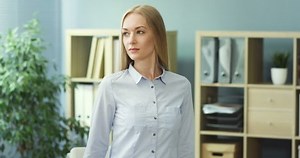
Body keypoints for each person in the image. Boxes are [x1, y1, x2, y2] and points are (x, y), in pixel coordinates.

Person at [83, 4, 194, 158]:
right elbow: (95, 148)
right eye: (126, 34)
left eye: (140, 32)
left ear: (158, 36)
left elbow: (186, 148)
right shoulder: (111, 86)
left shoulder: (182, 86)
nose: (131, 40)